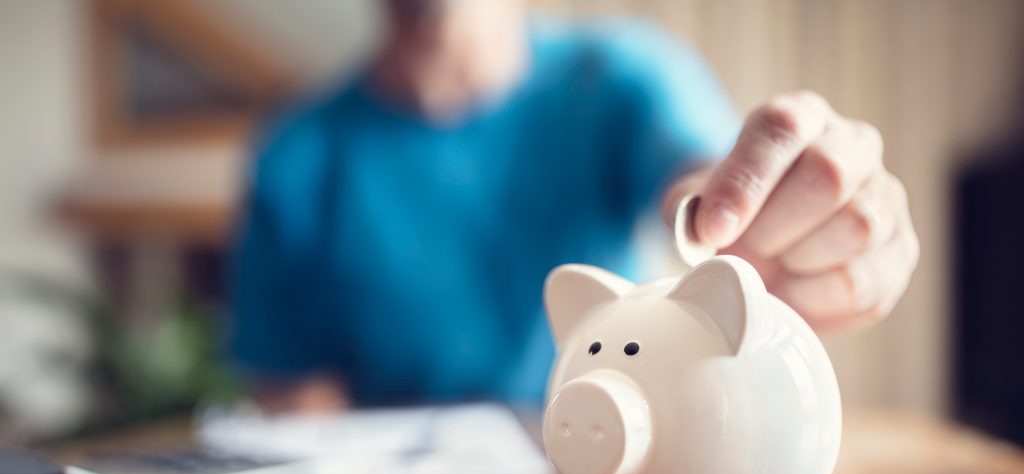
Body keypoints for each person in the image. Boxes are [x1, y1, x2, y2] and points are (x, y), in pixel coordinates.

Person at [231, 0, 918, 412]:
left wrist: (766, 209)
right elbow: (294, 400)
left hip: (608, 471)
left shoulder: (622, 76)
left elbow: (699, 185)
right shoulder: (293, 156)